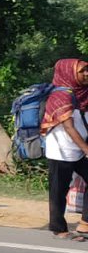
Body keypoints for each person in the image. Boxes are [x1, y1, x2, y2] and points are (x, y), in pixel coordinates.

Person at [42, 59, 88, 240]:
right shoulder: (59, 96)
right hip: (61, 152)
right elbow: (69, 127)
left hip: (79, 151)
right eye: (82, 71)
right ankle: (58, 228)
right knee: (58, 191)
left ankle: (85, 224)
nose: (87, 74)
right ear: (69, 73)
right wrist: (86, 149)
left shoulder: (83, 94)